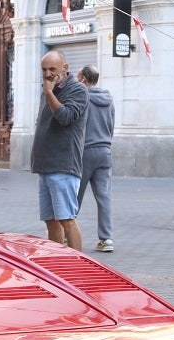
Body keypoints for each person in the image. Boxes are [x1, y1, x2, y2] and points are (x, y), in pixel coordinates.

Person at [30, 50, 88, 251]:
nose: (47, 74)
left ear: (65, 68)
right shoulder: (49, 89)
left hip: (63, 165)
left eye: (52, 69)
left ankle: (78, 265)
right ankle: (57, 261)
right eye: (44, 69)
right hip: (46, 166)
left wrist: (49, 93)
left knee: (67, 219)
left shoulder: (77, 90)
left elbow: (65, 117)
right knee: (51, 220)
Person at [76, 65, 116, 253]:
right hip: (105, 150)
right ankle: (106, 239)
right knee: (104, 197)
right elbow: (112, 125)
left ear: (84, 78)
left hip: (85, 151)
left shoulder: (83, 98)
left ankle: (68, 233)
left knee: (75, 194)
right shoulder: (109, 99)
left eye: (78, 76)